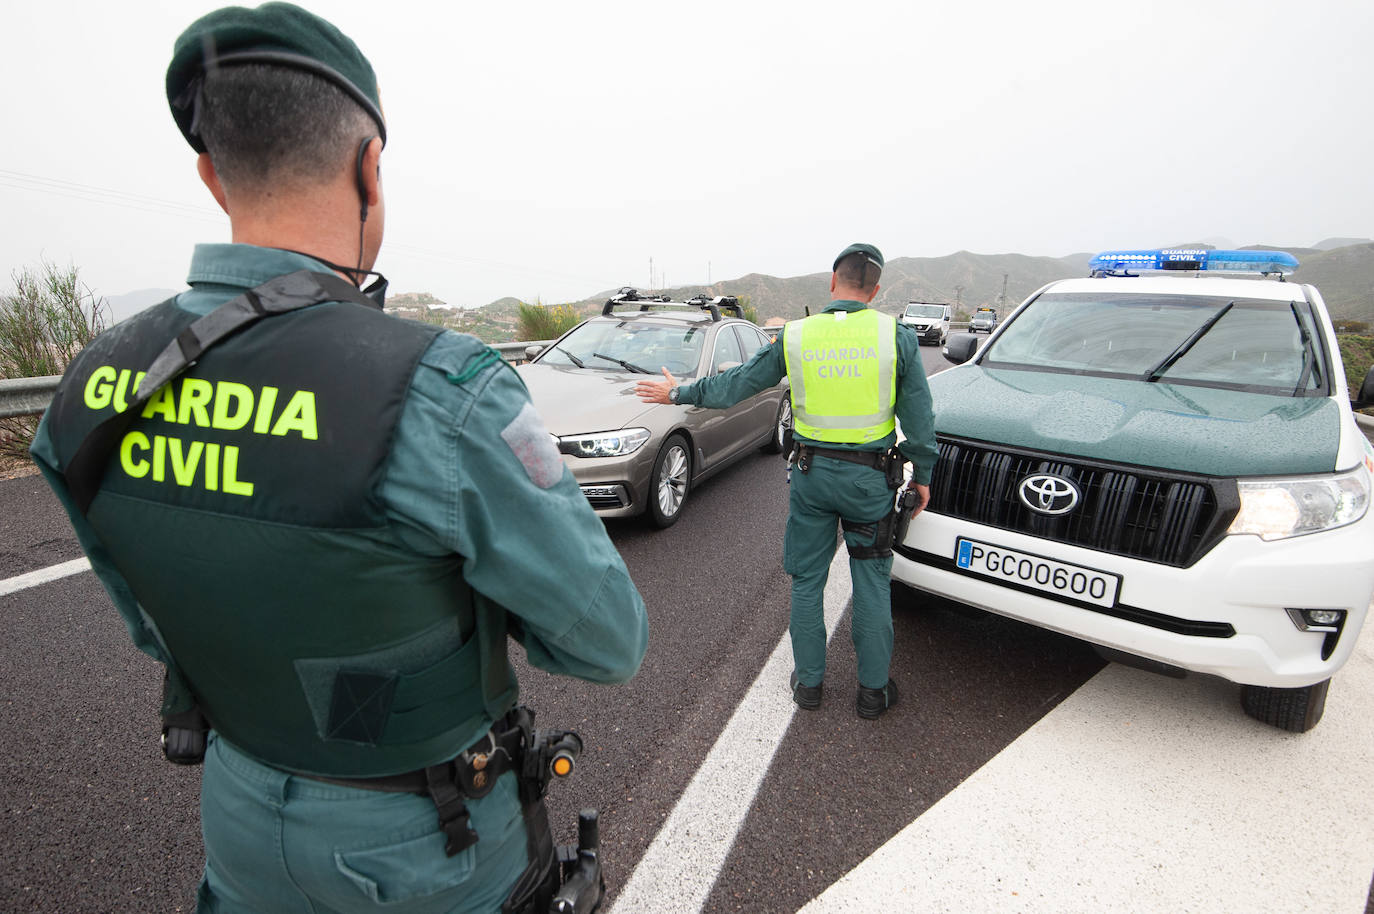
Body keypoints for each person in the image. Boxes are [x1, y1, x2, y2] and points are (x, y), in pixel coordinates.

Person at [29, 4, 648, 912]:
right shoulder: (443, 386)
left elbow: (155, 624)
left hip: (237, 814)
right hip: (425, 841)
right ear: (370, 168)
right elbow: (608, 641)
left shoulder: (90, 386)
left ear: (211, 175)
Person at [636, 243, 935, 719]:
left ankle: (809, 687)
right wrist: (923, 474)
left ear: (832, 283)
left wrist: (677, 391)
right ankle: (873, 693)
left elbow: (736, 385)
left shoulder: (795, 337)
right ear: (875, 290)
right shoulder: (895, 336)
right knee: (873, 582)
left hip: (813, 478)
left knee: (807, 580)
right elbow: (919, 416)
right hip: (870, 481)